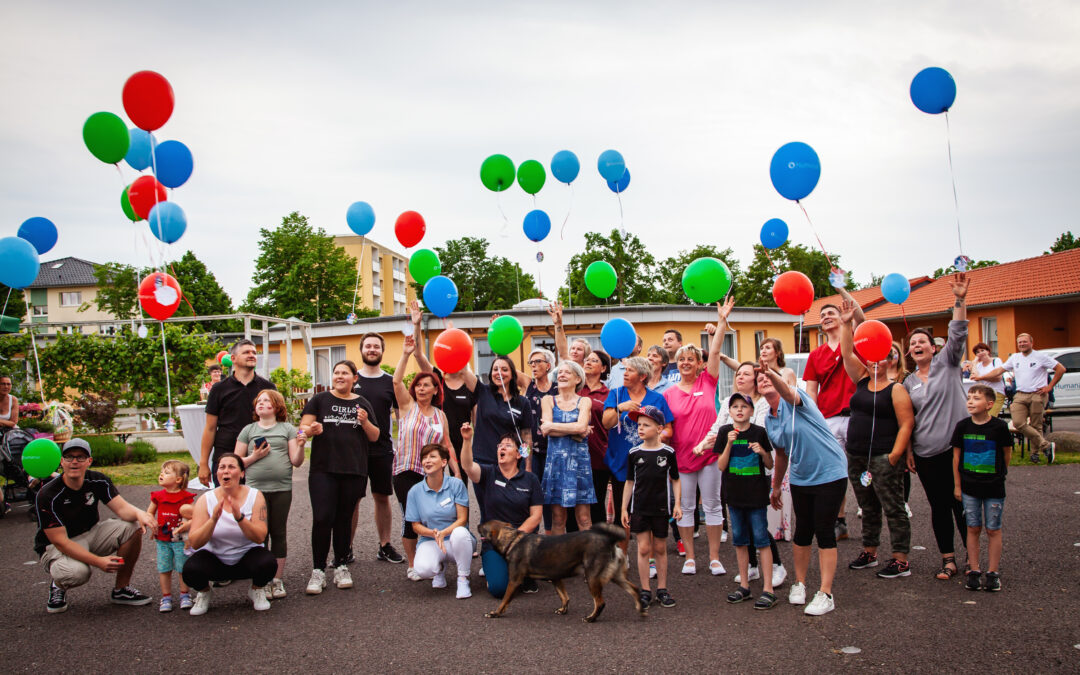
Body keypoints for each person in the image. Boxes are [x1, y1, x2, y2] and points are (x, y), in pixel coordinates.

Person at [759, 364, 848, 617]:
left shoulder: (798, 400)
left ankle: (826, 593)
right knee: (803, 530)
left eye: (769, 377)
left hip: (830, 472)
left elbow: (787, 392)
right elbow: (781, 453)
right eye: (760, 378)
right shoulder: (769, 416)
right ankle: (800, 584)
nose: (764, 380)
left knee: (824, 529)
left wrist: (773, 374)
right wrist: (775, 486)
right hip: (801, 476)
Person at [838, 300, 915, 579]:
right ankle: (869, 552)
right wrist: (847, 324)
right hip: (857, 455)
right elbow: (846, 352)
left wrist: (895, 455)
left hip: (884, 457)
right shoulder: (860, 379)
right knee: (867, 506)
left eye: (881, 358)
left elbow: (907, 423)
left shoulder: (896, 390)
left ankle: (900, 559)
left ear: (890, 360)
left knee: (893, 507)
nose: (875, 362)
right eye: (872, 358)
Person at [35, 438, 156, 613]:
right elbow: (61, 541)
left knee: (133, 526)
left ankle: (121, 590)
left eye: (81, 457)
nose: (74, 462)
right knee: (78, 574)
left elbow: (122, 509)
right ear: (61, 461)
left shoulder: (98, 480)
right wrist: (98, 562)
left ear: (89, 461)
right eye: (69, 457)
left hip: (90, 533)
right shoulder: (47, 494)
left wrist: (141, 514)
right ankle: (58, 585)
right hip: (56, 546)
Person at [904, 273, 971, 581]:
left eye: (922, 341)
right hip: (927, 453)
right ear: (909, 353)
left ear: (933, 347)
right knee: (939, 506)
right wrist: (908, 451)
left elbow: (958, 333)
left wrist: (959, 300)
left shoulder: (949, 363)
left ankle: (973, 557)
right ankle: (948, 559)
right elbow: (907, 421)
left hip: (958, 450)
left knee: (963, 504)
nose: (917, 345)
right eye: (912, 343)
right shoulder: (907, 383)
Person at [698, 360, 788, 586]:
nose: (739, 377)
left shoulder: (763, 404)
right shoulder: (729, 402)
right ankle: (752, 566)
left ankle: (777, 565)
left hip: (757, 471)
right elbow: (718, 429)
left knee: (757, 523)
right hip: (733, 470)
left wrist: (728, 437)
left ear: (755, 380)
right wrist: (704, 443)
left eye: (746, 374)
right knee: (740, 523)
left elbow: (756, 435)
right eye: (738, 373)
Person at [300, 360, 380, 594]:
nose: (339, 376)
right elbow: (301, 428)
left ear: (355, 378)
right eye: (336, 373)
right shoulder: (320, 399)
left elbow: (375, 436)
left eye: (345, 373)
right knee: (323, 518)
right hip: (323, 470)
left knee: (344, 519)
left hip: (353, 470)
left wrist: (365, 422)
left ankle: (341, 565)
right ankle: (318, 571)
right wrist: (310, 430)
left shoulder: (363, 403)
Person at [392, 335, 457, 580]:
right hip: (405, 471)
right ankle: (413, 563)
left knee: (434, 516)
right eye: (418, 384)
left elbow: (447, 444)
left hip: (432, 475)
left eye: (426, 385)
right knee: (412, 518)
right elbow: (397, 381)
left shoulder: (440, 416)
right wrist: (406, 353)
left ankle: (433, 556)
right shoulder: (407, 406)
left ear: (435, 389)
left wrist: (457, 473)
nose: (421, 388)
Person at [668, 300, 725, 577]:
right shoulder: (668, 394)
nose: (686, 362)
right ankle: (690, 557)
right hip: (682, 459)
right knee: (686, 508)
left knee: (713, 506)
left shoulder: (708, 381)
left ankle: (714, 558)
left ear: (699, 363)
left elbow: (715, 350)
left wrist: (721, 322)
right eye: (681, 359)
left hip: (710, 456)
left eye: (691, 359)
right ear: (677, 364)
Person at [803, 291, 865, 541]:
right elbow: (811, 389)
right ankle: (839, 520)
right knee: (835, 472)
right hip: (828, 418)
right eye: (823, 315)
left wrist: (841, 290)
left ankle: (869, 514)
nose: (827, 317)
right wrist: (814, 419)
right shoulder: (816, 355)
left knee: (861, 469)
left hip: (857, 416)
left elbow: (861, 318)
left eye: (831, 313)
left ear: (842, 317)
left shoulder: (856, 342)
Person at [183, 453, 277, 615]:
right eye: (222, 467)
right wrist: (213, 520)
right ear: (217, 473)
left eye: (231, 467)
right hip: (216, 562)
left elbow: (260, 536)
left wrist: (239, 518)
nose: (226, 471)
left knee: (268, 562)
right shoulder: (206, 499)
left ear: (241, 473)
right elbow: (195, 542)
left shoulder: (255, 495)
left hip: (247, 559)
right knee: (191, 570)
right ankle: (205, 592)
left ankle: (256, 589)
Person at [459, 423, 543, 597]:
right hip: (495, 543)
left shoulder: (530, 479)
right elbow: (468, 466)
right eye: (500, 446)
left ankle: (523, 572)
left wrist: (515, 536)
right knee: (498, 590)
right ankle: (503, 570)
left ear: (518, 454)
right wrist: (467, 441)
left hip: (522, 540)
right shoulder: (489, 473)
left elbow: (536, 516)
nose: (501, 448)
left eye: (508, 445)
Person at [235, 389, 304, 600]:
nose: (262, 404)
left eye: (267, 400)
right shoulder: (248, 430)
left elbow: (297, 461)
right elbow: (235, 463)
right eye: (259, 401)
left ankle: (276, 579)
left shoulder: (287, 429)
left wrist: (301, 447)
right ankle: (261, 580)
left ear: (277, 406)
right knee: (260, 534)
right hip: (255, 490)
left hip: (282, 488)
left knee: (278, 532)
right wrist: (254, 456)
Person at [714, 394, 778, 609]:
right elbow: (721, 466)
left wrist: (762, 453)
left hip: (756, 495)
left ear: (751, 410)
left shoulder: (759, 432)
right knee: (739, 540)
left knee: (761, 539)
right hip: (734, 495)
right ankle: (744, 585)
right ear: (729, 411)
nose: (739, 410)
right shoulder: (725, 432)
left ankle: (768, 588)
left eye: (744, 406)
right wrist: (729, 444)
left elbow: (769, 464)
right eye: (735, 406)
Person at [951, 385, 1013, 592]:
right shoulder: (962, 427)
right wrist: (958, 486)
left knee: (993, 529)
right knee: (972, 527)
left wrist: (1000, 474)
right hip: (969, 487)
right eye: (969, 398)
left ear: (989, 404)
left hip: (994, 487)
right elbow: (956, 457)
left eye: (976, 398)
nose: (970, 402)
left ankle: (993, 572)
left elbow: (1006, 453)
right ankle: (974, 570)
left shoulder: (999, 427)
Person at [603, 356, 673, 533]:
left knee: (648, 515)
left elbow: (668, 430)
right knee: (622, 514)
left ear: (642, 376)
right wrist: (620, 408)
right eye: (625, 370)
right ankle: (623, 558)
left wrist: (656, 438)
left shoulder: (657, 399)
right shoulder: (616, 394)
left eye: (630, 371)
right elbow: (606, 423)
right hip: (621, 463)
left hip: (649, 464)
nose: (624, 374)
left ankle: (649, 558)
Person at [352, 331, 405, 565]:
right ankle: (347, 548)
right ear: (362, 350)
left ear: (382, 352)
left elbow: (400, 416)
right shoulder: (352, 380)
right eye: (368, 346)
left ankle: (384, 546)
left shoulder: (390, 382)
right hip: (354, 450)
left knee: (382, 497)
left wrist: (402, 444)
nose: (372, 350)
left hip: (383, 449)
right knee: (351, 499)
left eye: (376, 347)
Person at [620, 405, 681, 609]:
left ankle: (662, 589)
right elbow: (629, 482)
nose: (641, 428)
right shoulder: (634, 453)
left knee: (661, 547)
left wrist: (678, 504)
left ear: (659, 428)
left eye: (646, 425)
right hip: (640, 508)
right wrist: (623, 508)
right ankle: (645, 590)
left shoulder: (668, 452)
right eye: (639, 425)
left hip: (661, 508)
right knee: (644, 548)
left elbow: (675, 479)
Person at [971, 333, 1064, 464]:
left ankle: (1035, 454)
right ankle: (1046, 445)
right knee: (1018, 422)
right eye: (1020, 342)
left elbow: (1060, 369)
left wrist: (1049, 387)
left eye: (1024, 342)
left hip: (1037, 394)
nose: (1022, 344)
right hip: (1020, 394)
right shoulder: (1015, 358)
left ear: (1032, 343)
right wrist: (980, 377)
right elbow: (998, 371)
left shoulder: (1040, 356)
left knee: (1036, 424)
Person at [200, 339, 276, 487]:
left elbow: (276, 423)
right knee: (226, 506)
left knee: (258, 506)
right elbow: (210, 428)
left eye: (254, 352)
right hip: (225, 456)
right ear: (233, 358)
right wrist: (203, 463)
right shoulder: (219, 389)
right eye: (246, 352)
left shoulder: (268, 387)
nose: (252, 355)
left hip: (260, 455)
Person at [405, 444, 474, 599]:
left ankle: (463, 578)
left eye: (432, 457)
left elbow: (462, 519)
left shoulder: (456, 484)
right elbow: (415, 526)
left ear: (444, 462)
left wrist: (444, 533)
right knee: (422, 570)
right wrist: (433, 533)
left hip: (457, 541)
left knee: (461, 533)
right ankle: (439, 568)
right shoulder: (415, 491)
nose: (427, 461)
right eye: (424, 458)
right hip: (432, 540)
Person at [470, 356, 533, 522]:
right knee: (486, 508)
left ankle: (512, 544)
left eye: (504, 369)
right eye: (495, 369)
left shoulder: (522, 402)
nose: (499, 373)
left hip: (511, 464)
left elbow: (526, 437)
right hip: (482, 462)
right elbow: (462, 371)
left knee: (509, 508)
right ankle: (488, 545)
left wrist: (527, 465)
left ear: (512, 374)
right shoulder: (483, 392)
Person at [540, 360, 596, 533]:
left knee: (585, 519)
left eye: (567, 372)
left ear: (578, 379)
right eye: (560, 372)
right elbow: (545, 430)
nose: (561, 375)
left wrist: (553, 427)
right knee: (557, 520)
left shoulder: (584, 401)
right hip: (556, 464)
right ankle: (559, 560)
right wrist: (576, 429)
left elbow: (578, 427)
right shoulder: (548, 400)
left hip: (579, 465)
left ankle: (589, 559)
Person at [147, 460, 196, 612]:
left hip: (180, 540)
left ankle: (184, 595)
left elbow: (193, 516)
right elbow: (149, 512)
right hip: (162, 539)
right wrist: (151, 524)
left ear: (178, 479)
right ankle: (166, 597)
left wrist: (189, 535)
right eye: (162, 472)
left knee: (182, 568)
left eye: (167, 472)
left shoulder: (186, 497)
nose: (161, 474)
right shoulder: (158, 496)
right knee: (164, 568)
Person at [520, 344, 556, 532]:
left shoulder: (558, 388)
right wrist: (499, 350)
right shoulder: (528, 384)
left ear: (548, 365)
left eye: (537, 362)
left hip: (552, 450)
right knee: (527, 492)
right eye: (531, 362)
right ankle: (529, 536)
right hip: (528, 449)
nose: (533, 365)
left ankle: (550, 536)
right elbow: (509, 369)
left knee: (549, 496)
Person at [580, 349, 613, 526]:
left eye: (594, 360)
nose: (588, 362)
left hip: (598, 456)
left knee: (596, 505)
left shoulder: (608, 394)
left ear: (603, 368)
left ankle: (600, 549)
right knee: (575, 507)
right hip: (575, 456)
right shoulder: (576, 388)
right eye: (587, 360)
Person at [967, 342, 1006, 416]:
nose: (980, 353)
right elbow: (973, 377)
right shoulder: (979, 365)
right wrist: (974, 363)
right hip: (982, 394)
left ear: (988, 351)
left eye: (982, 350)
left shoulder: (996, 361)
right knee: (981, 416)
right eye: (977, 352)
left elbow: (998, 378)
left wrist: (981, 378)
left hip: (996, 393)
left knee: (990, 416)